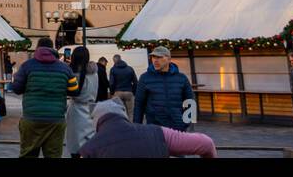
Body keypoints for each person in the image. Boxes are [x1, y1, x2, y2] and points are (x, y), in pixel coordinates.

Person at [9, 37, 80, 158]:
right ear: (53, 49)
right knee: (53, 155)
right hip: (55, 119)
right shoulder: (65, 68)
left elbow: (16, 89)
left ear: (37, 48)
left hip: (31, 119)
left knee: (28, 154)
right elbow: (74, 91)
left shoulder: (27, 66)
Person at [80, 98, 216, 159]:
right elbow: (206, 143)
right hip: (162, 128)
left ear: (96, 122)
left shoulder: (89, 149)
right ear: (123, 115)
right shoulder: (156, 133)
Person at [134, 46, 194, 131]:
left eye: (159, 57)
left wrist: (186, 123)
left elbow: (190, 102)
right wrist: (137, 127)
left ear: (169, 59)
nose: (155, 60)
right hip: (155, 128)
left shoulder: (181, 78)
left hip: (177, 127)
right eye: (153, 57)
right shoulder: (145, 78)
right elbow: (139, 104)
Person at [65, 46, 98, 157]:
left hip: (76, 111)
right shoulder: (94, 73)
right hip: (91, 110)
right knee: (90, 143)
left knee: (75, 145)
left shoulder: (74, 75)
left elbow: (69, 92)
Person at [108, 53, 138, 120]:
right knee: (131, 113)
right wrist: (133, 91)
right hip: (128, 92)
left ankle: (121, 127)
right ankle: (131, 128)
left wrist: (112, 93)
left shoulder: (113, 69)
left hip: (117, 92)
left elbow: (111, 83)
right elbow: (135, 82)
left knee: (119, 113)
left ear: (114, 60)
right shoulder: (130, 68)